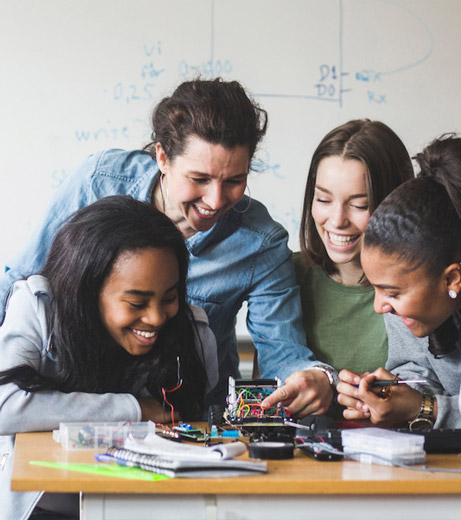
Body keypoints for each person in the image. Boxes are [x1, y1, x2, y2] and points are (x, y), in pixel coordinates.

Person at [0, 78, 335, 415]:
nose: (216, 201)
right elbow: (19, 282)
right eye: (199, 179)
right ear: (162, 156)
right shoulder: (98, 182)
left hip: (183, 413)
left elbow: (283, 355)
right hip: (73, 407)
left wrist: (317, 378)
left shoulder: (260, 242)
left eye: (235, 180)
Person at [0, 195, 218, 519]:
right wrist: (134, 408)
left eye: (169, 297)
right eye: (136, 303)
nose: (158, 318)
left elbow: (202, 427)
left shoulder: (193, 335)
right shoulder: (38, 308)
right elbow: (5, 407)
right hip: (44, 506)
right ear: (86, 292)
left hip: (148, 507)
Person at [336, 135, 461, 429]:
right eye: (376, 288)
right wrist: (395, 395)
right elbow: (418, 369)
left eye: (391, 293)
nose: (379, 306)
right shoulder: (408, 308)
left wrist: (427, 409)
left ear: (452, 279)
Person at [293, 119, 413, 373]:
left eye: (359, 205)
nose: (337, 221)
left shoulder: (418, 288)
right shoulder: (286, 275)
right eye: (323, 199)